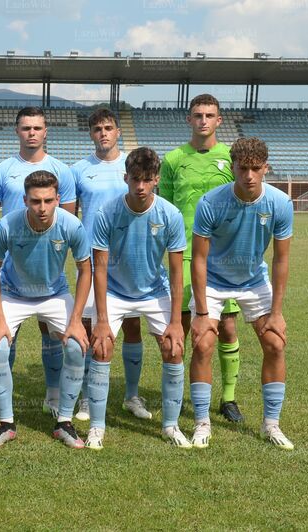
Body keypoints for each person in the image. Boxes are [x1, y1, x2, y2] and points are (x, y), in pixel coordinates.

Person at [189, 137, 294, 450]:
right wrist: (203, 313)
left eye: (255, 169)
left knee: (275, 343)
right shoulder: (211, 202)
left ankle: (271, 424)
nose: (249, 175)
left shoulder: (280, 203)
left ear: (266, 169)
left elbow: (281, 260)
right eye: (243, 168)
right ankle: (202, 423)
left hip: (253, 281)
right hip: (214, 281)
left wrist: (277, 313)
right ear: (232, 167)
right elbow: (199, 259)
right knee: (203, 343)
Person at [0, 106, 77, 422]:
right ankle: (3, 402)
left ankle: (53, 394)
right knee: (6, 334)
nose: (31, 133)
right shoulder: (2, 170)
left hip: (49, 270)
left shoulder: (62, 171)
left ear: (45, 131)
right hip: (11, 268)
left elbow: (66, 220)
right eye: (26, 128)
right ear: (17, 131)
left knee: (51, 333)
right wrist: (13, 246)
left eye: (37, 128)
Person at [89, 147, 188, 450]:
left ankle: (170, 426)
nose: (141, 186)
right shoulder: (107, 213)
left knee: (173, 348)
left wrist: (175, 322)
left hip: (154, 291)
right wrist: (102, 320)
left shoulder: (170, 215)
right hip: (114, 290)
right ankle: (96, 427)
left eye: (147, 179)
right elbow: (99, 268)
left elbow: (176, 272)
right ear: (126, 178)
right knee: (101, 346)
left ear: (156, 179)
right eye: (135, 179)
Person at [0, 170, 91, 450]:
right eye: (35, 201)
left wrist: (76, 320)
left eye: (48, 201)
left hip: (54, 294)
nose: (42, 208)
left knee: (76, 346)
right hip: (13, 293)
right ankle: (6, 423)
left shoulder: (71, 225)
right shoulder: (8, 225)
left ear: (58, 199)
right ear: (25, 200)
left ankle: (64, 422)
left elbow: (85, 269)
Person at [158, 93, 245, 423]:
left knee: (227, 327)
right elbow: (166, 209)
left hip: (222, 257)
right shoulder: (173, 159)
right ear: (189, 119)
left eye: (209, 115)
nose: (203, 121)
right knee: (180, 327)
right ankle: (178, 394)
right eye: (198, 115)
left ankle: (228, 398)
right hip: (183, 254)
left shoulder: (231, 158)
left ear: (219, 120)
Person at [72, 107, 148, 422]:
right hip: (92, 262)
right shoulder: (79, 170)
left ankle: (131, 395)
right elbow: (69, 217)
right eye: (97, 129)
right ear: (91, 134)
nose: (103, 133)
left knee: (132, 326)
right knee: (91, 329)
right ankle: (87, 397)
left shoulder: (133, 167)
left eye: (108, 128)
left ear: (118, 131)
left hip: (129, 259)